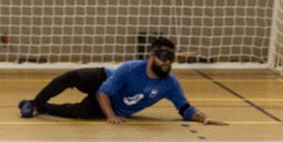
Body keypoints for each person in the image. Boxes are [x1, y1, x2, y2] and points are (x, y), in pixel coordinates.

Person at [18, 37, 227, 126]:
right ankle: (34, 103)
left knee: (79, 113)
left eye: (170, 58)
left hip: (116, 105)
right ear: (151, 56)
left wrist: (202, 118)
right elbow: (103, 91)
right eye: (163, 57)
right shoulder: (130, 68)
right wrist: (110, 116)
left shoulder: (170, 84)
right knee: (72, 77)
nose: (167, 62)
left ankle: (43, 108)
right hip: (105, 82)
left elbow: (185, 108)